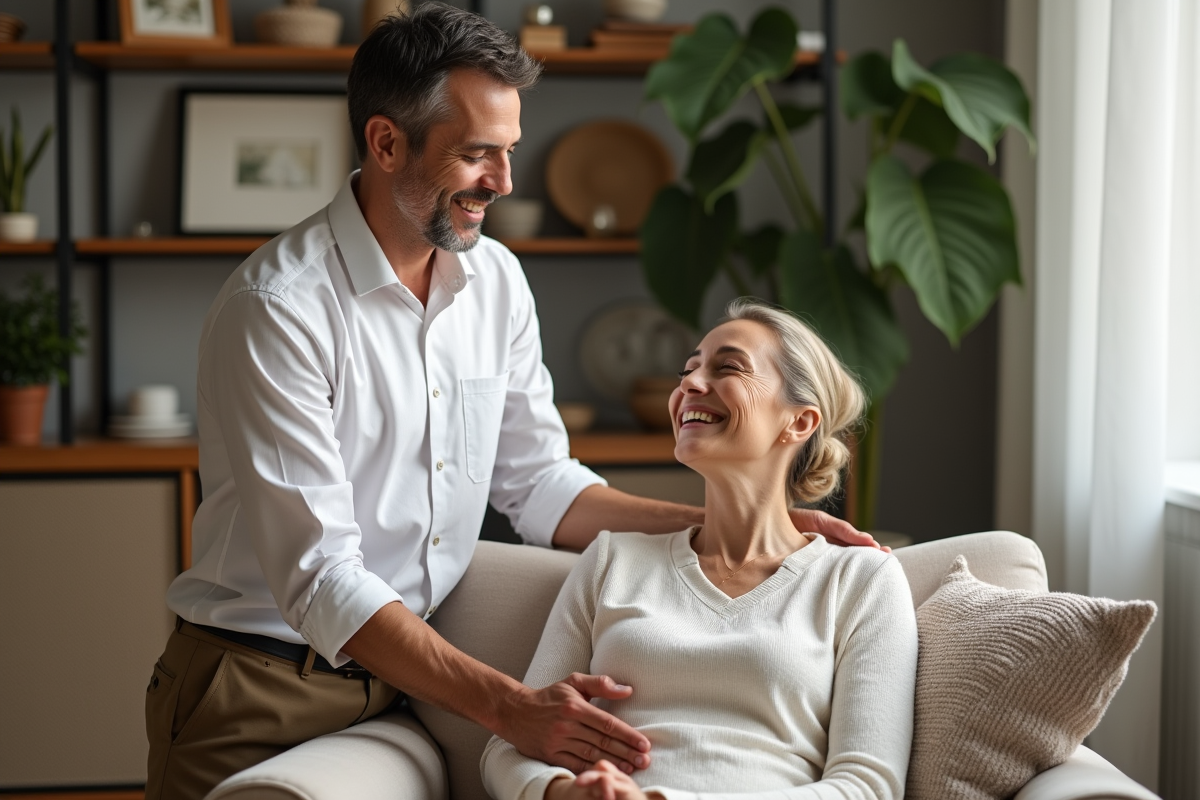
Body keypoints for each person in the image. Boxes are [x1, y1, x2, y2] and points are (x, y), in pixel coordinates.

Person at [143, 6, 880, 800]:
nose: (504, 181)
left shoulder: (493, 281)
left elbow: (541, 488)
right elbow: (323, 577)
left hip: (404, 689)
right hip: (262, 681)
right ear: (386, 143)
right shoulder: (278, 308)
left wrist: (741, 528)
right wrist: (513, 709)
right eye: (476, 155)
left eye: (509, 151)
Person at [482, 299, 919, 800]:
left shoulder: (860, 579)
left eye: (727, 367)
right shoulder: (610, 561)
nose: (688, 384)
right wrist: (564, 793)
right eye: (687, 370)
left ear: (799, 423)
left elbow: (868, 787)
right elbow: (511, 744)